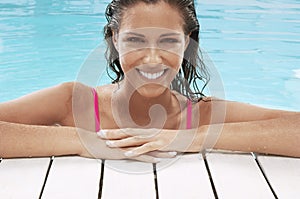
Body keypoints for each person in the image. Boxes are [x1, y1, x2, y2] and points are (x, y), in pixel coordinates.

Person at [0, 0, 299, 162]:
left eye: (169, 41)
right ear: (115, 39)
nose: (153, 58)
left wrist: (191, 137)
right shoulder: (72, 101)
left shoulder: (203, 115)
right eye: (135, 40)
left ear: (188, 43)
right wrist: (85, 141)